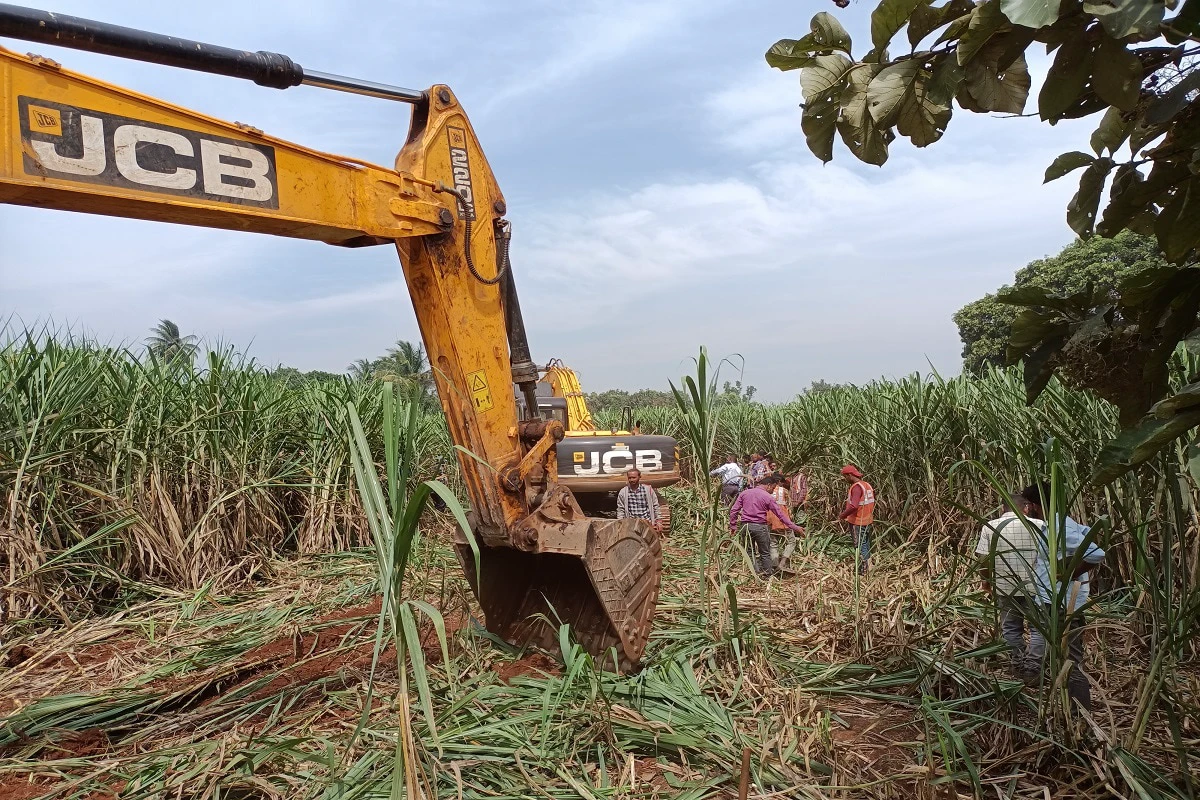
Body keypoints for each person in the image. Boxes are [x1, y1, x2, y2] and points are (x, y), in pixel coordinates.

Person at [1020, 483, 1105, 710]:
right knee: (1063, 657)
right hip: (1054, 599)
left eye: (1029, 504)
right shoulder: (1058, 524)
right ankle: (1070, 710)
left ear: (1036, 505)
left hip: (1063, 602)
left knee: (1070, 659)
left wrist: (1071, 572)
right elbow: (1086, 535)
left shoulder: (1059, 526)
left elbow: (1096, 553)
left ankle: (1080, 713)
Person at [975, 492, 1045, 678]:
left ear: (1002, 508)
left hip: (1005, 586)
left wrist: (986, 581)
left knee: (1011, 628)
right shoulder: (1040, 526)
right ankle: (1033, 668)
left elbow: (983, 559)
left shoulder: (990, 527)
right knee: (1038, 629)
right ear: (1027, 507)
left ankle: (1018, 663)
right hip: (1037, 587)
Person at [730, 474, 804, 577]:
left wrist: (733, 526)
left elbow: (734, 510)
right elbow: (781, 516)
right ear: (768, 485)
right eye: (773, 488)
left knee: (749, 551)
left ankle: (755, 574)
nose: (773, 491)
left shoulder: (744, 493)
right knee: (764, 552)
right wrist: (796, 528)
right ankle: (767, 575)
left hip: (745, 526)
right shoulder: (767, 497)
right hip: (760, 527)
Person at [838, 465, 875, 574]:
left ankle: (865, 570)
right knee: (866, 543)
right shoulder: (867, 485)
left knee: (859, 545)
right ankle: (869, 566)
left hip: (857, 521)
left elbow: (854, 506)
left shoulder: (856, 487)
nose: (845, 480)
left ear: (849, 475)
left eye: (845, 477)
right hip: (867, 519)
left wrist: (842, 516)